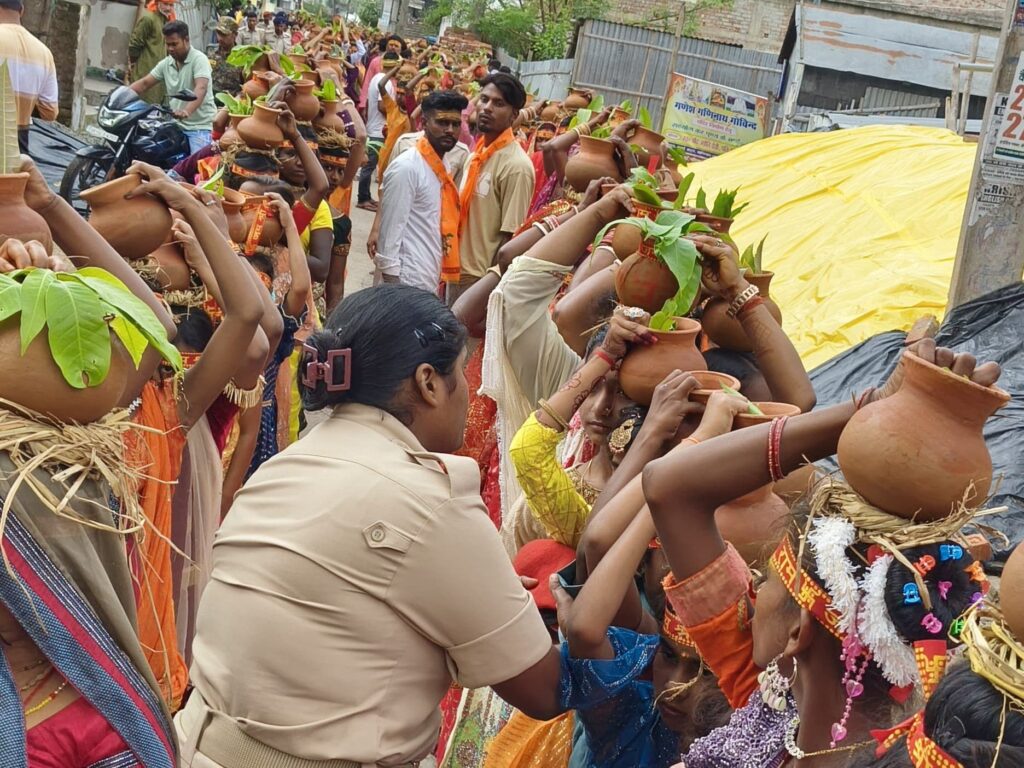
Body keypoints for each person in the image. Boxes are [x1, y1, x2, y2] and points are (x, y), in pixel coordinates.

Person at [177, 285, 569, 767]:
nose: (469, 390)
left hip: (194, 746)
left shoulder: (287, 465)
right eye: (462, 371)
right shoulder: (429, 497)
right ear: (428, 382)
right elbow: (545, 690)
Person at [643, 339, 1001, 767]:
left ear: (797, 631)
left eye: (769, 581)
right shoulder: (770, 710)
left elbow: (671, 487)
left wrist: (863, 414)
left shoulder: (756, 695)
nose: (753, 591)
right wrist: (877, 406)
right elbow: (670, 490)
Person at [450, 73, 535, 306]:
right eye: (484, 99)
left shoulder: (516, 166)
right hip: (453, 269)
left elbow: (511, 238)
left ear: (514, 115)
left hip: (478, 280)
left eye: (499, 103)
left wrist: (489, 291)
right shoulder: (476, 155)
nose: (487, 108)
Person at [375, 89, 468, 291]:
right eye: (442, 122)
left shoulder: (443, 166)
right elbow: (388, 241)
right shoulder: (407, 167)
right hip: (406, 284)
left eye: (455, 124)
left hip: (427, 279)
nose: (450, 130)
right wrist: (397, 294)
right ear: (424, 123)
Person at [129, 20, 216, 154]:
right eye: (168, 44)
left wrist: (186, 111)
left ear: (186, 40)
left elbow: (201, 88)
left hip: (199, 127)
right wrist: (121, 93)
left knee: (195, 170)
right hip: (176, 124)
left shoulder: (199, 60)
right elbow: (145, 83)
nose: (170, 48)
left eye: (174, 44)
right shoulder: (167, 63)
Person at [0, 0, 58, 154]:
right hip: (17, 145)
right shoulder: (44, 53)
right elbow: (50, 112)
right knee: (12, 178)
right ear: (22, 11)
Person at [356, 51, 399, 211]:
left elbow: (368, 104)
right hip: (379, 130)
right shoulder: (385, 82)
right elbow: (382, 106)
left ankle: (366, 196)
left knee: (371, 165)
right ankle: (362, 198)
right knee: (369, 166)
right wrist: (395, 114)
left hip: (373, 126)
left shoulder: (376, 77)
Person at [128, 0, 176, 105]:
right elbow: (134, 45)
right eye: (165, 4)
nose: (168, 8)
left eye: (171, 5)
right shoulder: (149, 18)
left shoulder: (168, 22)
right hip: (144, 72)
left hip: (159, 79)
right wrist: (133, 64)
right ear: (157, 3)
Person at [209, 15, 242, 97]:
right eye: (218, 33)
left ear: (235, 35)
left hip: (230, 101)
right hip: (210, 98)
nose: (220, 38)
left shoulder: (242, 57)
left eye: (224, 34)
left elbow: (245, 87)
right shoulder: (210, 51)